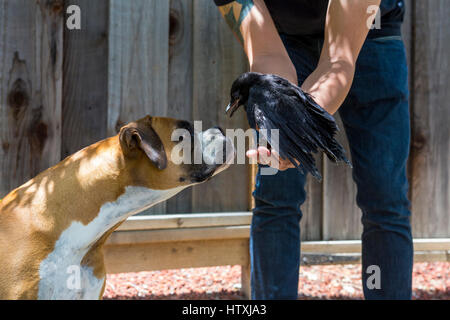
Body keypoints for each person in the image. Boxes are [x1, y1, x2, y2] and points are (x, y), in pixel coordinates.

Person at [215, 0, 412, 300]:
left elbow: (337, 62)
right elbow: (267, 53)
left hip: (372, 32)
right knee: (275, 196)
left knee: (385, 198)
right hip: (284, 38)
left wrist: (303, 126)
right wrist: (281, 126)